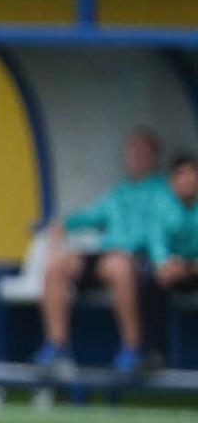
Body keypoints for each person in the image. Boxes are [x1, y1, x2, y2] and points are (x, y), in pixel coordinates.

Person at [35, 126, 169, 380]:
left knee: (118, 265)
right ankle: (57, 345)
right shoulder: (119, 192)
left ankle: (132, 347)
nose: (136, 158)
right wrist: (62, 224)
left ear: (154, 157)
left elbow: (160, 232)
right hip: (108, 256)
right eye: (132, 152)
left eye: (143, 152)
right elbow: (90, 215)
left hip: (138, 259)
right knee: (57, 264)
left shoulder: (162, 192)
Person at [147, 153, 198, 297]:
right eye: (182, 174)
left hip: (194, 265)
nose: (189, 179)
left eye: (193, 173)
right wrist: (165, 262)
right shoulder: (161, 206)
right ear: (172, 181)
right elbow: (157, 242)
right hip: (171, 265)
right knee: (163, 274)